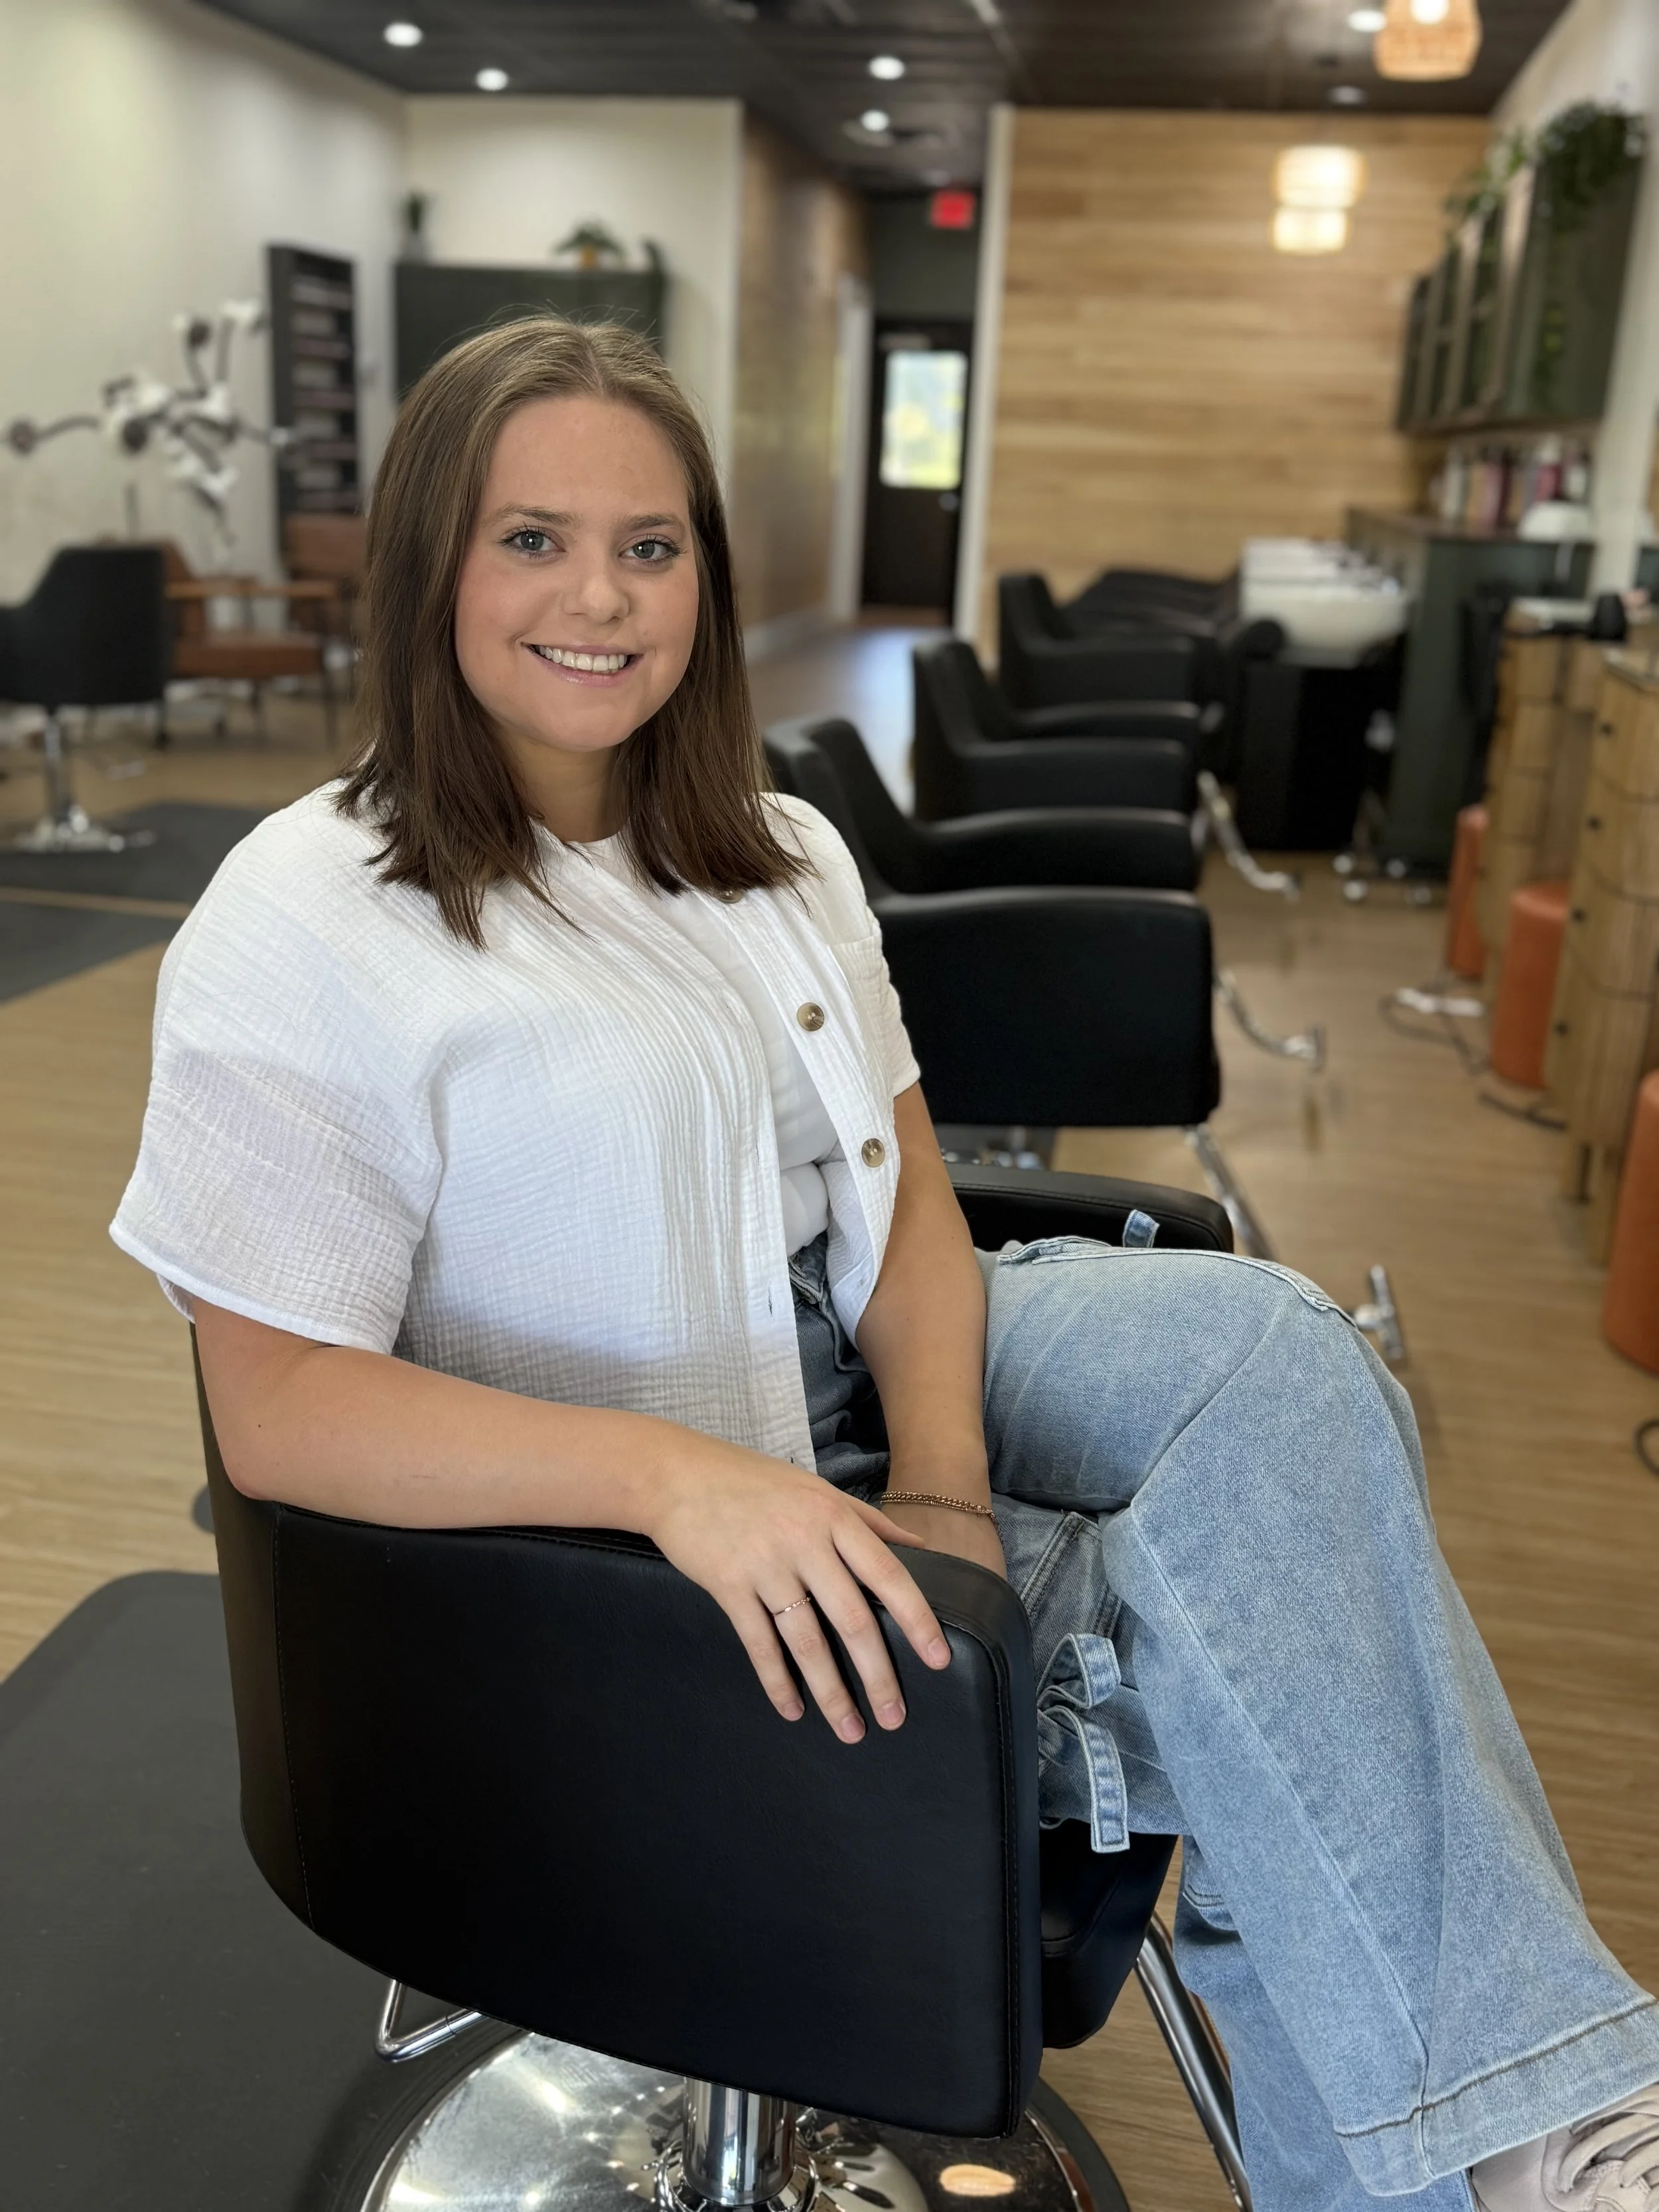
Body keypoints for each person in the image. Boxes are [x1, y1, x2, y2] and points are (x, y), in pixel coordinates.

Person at [111, 319, 1658, 2212]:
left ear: (707, 573)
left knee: (1282, 1359)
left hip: (835, 1359)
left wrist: (938, 1485)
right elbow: (277, 1411)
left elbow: (908, 1206)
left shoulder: (774, 850)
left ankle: (1507, 2127)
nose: (599, 594)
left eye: (650, 545)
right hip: (601, 1506)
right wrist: (681, 1480)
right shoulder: (306, 917)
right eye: (530, 538)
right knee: (1269, 1601)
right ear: (434, 554)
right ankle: (1513, 2141)